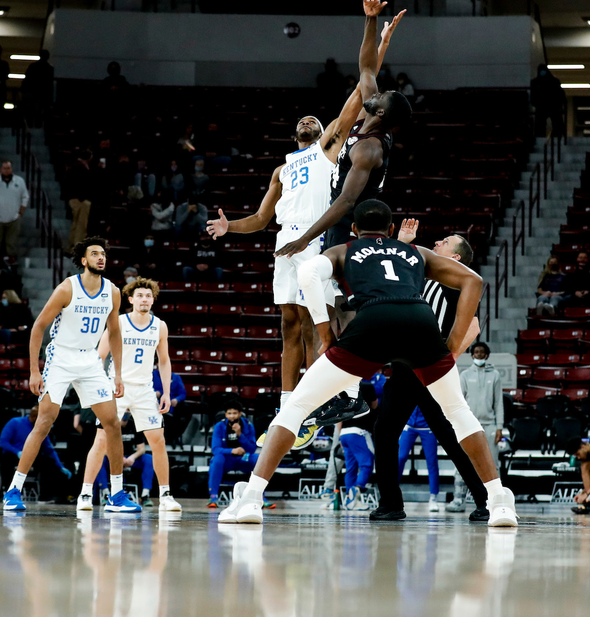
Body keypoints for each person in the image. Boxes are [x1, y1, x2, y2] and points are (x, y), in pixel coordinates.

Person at [218, 199, 518, 527]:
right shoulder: (416, 253)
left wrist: (324, 333)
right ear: (391, 230)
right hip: (420, 329)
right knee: (459, 415)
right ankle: (499, 501)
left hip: (373, 324)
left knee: (297, 406)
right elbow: (473, 280)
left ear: (354, 230)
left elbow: (306, 273)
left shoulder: (346, 249)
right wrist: (449, 349)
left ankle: (251, 499)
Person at [206, 8, 405, 435]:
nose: (308, 121)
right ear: (293, 132)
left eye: (315, 120)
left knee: (320, 321)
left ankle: (325, 398)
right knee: (288, 325)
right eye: (304, 121)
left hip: (319, 237)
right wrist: (228, 227)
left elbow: (360, 88)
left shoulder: (332, 145)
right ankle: (287, 403)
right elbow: (261, 219)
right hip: (286, 242)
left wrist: (381, 40)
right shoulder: (282, 168)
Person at [3, 238, 137, 513]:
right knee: (44, 422)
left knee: (112, 423)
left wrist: (118, 374)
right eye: (95, 254)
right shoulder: (68, 287)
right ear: (84, 260)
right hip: (61, 357)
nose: (101, 258)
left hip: (89, 359)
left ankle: (117, 494)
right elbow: (38, 327)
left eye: (104, 254)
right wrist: (34, 370)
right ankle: (13, 490)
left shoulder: (112, 291)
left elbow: (114, 333)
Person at [273, 0, 412, 257]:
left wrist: (304, 239)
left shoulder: (369, 149)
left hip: (354, 220)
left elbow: (347, 201)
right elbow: (367, 68)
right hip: (338, 210)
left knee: (336, 288)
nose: (379, 92)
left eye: (384, 95)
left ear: (381, 112)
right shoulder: (369, 112)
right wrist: (370, 19)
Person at [370, 220, 489, 521]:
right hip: (404, 367)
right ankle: (391, 504)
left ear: (456, 258)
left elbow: (473, 326)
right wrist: (402, 243)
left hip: (432, 367)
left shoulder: (457, 281)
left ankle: (485, 500)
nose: (436, 244)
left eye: (445, 242)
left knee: (452, 437)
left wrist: (448, 357)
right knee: (384, 432)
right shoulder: (421, 274)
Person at [78, 278, 181, 513]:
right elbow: (99, 356)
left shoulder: (160, 326)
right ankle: (85, 494)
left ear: (153, 299)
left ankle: (165, 495)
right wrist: (103, 385)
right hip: (117, 388)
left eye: (148, 296)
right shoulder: (119, 323)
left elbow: (164, 360)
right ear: (131, 299)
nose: (144, 299)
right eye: (140, 296)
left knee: (158, 441)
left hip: (145, 390)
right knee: (101, 441)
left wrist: (165, 392)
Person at [456, 341, 503, 510]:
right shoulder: (465, 375)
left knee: (493, 463)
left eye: (482, 352)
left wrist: (500, 427)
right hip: (469, 425)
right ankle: (458, 499)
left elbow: (499, 404)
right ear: (472, 355)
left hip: (490, 425)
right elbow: (459, 402)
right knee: (463, 463)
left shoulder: (495, 375)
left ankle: (497, 500)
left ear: (487, 355)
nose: (479, 355)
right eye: (476, 352)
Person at [0, 406, 72, 503]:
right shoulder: (15, 422)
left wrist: (61, 466)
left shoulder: (42, 429)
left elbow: (49, 450)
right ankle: (7, 490)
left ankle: (44, 496)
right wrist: (17, 452)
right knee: (5, 458)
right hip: (15, 455)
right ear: (34, 418)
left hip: (32, 457)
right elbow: (3, 442)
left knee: (49, 461)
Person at [207, 402, 258, 507]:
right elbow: (215, 449)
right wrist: (232, 451)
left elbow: (252, 449)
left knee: (258, 459)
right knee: (217, 459)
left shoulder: (248, 425)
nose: (232, 416)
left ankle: (260, 497)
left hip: (243, 459)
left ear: (240, 414)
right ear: (225, 415)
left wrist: (240, 434)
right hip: (227, 460)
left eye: (234, 413)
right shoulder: (219, 426)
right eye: (229, 413)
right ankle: (213, 497)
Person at [396, 407, 443, 512]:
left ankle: (433, 498)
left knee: (432, 461)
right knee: (400, 457)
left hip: (427, 426)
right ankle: (392, 493)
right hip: (409, 424)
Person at [339, 392, 377, 510]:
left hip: (344, 433)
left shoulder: (346, 390)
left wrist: (340, 435)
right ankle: (357, 489)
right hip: (359, 432)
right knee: (367, 465)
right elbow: (375, 405)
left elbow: (339, 416)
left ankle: (351, 502)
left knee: (351, 468)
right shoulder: (368, 387)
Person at [0, 160, 29, 257]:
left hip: (14, 218)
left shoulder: (19, 181)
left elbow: (25, 196)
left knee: (11, 244)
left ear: (11, 169)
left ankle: (10, 264)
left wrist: (21, 212)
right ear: (1, 169)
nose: (6, 170)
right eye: (4, 168)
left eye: (8, 168)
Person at [65, 150, 94, 248]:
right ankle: (77, 246)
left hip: (74, 198)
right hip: (80, 200)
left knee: (75, 223)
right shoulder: (80, 168)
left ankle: (71, 245)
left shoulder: (74, 166)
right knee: (81, 225)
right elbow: (82, 185)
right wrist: (83, 199)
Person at [530, 64, 566, 136]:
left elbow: (560, 94)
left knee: (556, 122)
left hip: (552, 105)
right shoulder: (535, 82)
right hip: (542, 106)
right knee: (541, 123)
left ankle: (557, 135)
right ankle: (542, 136)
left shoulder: (554, 81)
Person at [21, 50, 53, 123]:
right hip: (42, 94)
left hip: (32, 92)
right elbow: (50, 84)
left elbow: (27, 79)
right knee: (39, 110)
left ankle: (30, 122)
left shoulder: (33, 66)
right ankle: (37, 122)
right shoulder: (49, 69)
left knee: (31, 109)